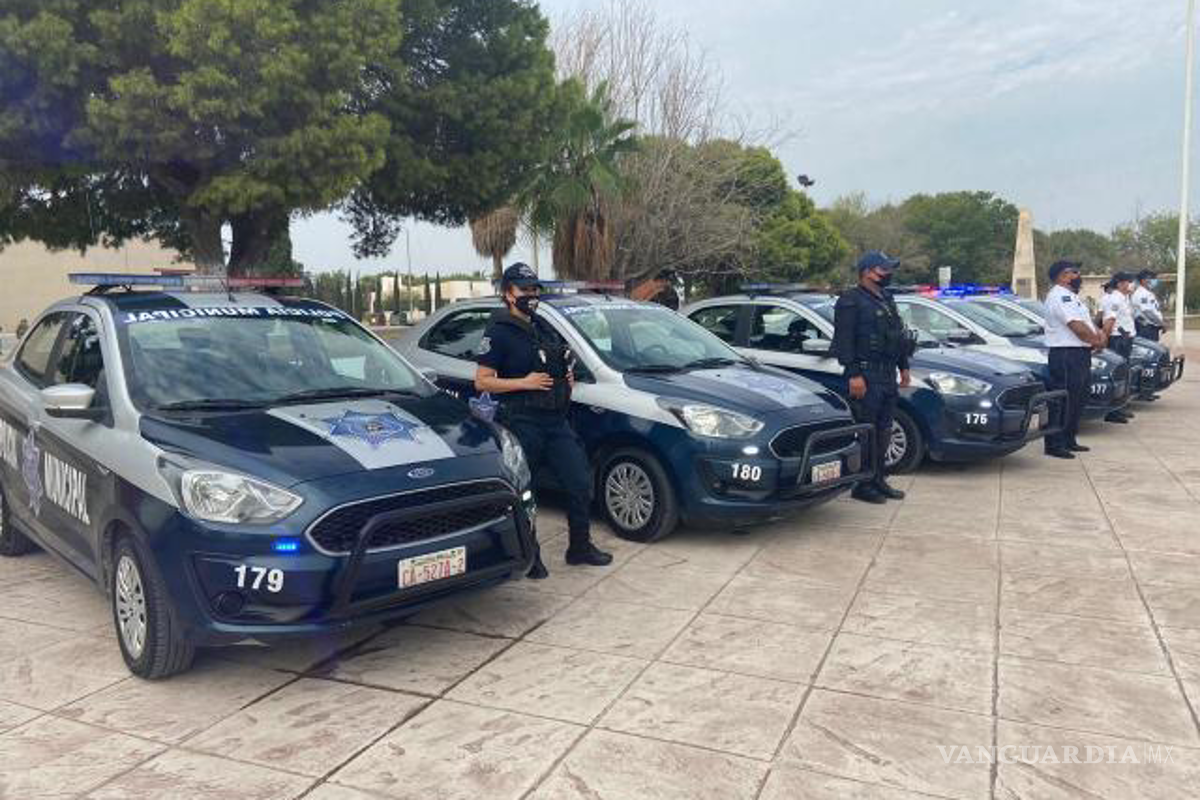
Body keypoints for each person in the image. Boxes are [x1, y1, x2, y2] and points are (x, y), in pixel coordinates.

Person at [475, 263, 613, 575]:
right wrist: (524, 382)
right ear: (508, 293)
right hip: (522, 419)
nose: (532, 295)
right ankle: (530, 554)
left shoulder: (541, 324)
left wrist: (566, 375)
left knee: (579, 481)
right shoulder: (498, 331)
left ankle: (579, 547)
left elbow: (555, 358)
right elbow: (482, 381)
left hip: (554, 420)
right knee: (527, 491)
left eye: (535, 289)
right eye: (524, 289)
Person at [833, 251, 914, 504]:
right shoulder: (850, 300)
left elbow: (897, 336)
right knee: (867, 432)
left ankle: (879, 479)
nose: (888, 274)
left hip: (887, 373)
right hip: (866, 375)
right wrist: (854, 374)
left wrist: (904, 367)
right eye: (883, 269)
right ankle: (862, 485)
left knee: (884, 431)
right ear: (867, 271)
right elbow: (844, 342)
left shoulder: (887, 298)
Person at [1042, 261, 1107, 459]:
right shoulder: (1059, 296)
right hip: (1066, 354)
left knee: (1078, 398)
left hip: (1079, 353)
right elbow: (1076, 326)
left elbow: (1088, 323)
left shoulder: (1073, 297)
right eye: (1074, 272)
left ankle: (1069, 438)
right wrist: (1096, 340)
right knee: (1064, 399)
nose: (1079, 275)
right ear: (1062, 276)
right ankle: (1055, 443)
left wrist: (1099, 337)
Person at [1099, 271, 1137, 423]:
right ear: (1121, 283)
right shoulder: (1115, 299)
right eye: (1129, 282)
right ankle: (1112, 412)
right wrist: (1103, 339)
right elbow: (1110, 320)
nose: (1131, 285)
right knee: (1118, 375)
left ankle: (1120, 407)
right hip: (1118, 340)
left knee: (1124, 375)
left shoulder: (1123, 298)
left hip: (1124, 339)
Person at [1132, 270, 1165, 341]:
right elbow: (1147, 312)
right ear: (1143, 280)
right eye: (1151, 278)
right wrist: (1161, 323)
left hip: (1151, 328)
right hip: (1146, 328)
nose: (1153, 281)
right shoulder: (1141, 293)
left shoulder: (1147, 293)